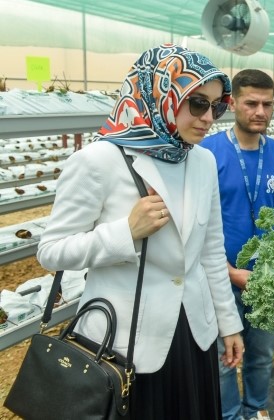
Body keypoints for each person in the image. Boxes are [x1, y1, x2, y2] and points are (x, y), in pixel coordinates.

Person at [36, 44, 244, 419]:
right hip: (124, 343)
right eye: (197, 103)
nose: (209, 117)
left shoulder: (202, 160)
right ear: (160, 95)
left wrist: (229, 324)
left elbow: (211, 251)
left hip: (193, 334)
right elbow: (51, 250)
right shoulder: (100, 161)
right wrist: (125, 233)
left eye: (217, 106)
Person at [201, 69, 274, 420]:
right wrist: (230, 272)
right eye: (251, 103)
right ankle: (228, 415)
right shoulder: (207, 153)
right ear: (232, 104)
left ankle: (256, 410)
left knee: (260, 354)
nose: (261, 111)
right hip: (219, 279)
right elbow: (196, 228)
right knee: (224, 358)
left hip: (265, 281)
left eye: (268, 104)